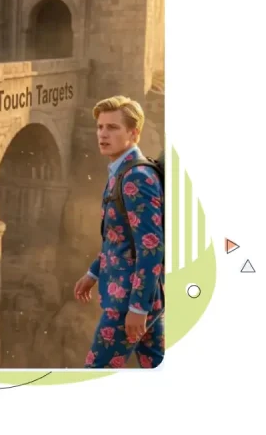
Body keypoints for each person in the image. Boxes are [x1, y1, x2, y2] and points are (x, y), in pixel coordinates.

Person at [73, 95, 165, 369]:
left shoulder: (135, 177)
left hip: (126, 303)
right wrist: (93, 272)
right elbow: (119, 239)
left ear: (134, 133)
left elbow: (151, 247)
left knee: (94, 373)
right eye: (100, 127)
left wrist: (137, 308)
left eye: (113, 128)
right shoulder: (121, 171)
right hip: (144, 298)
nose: (102, 134)